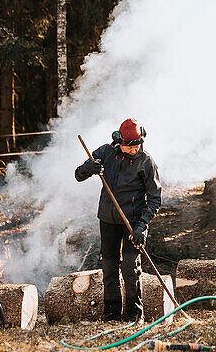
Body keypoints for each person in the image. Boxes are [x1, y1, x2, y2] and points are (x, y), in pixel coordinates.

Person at [75, 118, 162, 322]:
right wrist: (89, 168)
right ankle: (112, 314)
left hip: (133, 223)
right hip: (108, 219)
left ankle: (134, 315)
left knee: (130, 269)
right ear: (119, 141)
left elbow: (155, 198)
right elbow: (78, 175)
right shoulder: (105, 153)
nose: (134, 150)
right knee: (109, 268)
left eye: (138, 146)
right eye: (129, 147)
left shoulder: (147, 162)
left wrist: (142, 226)